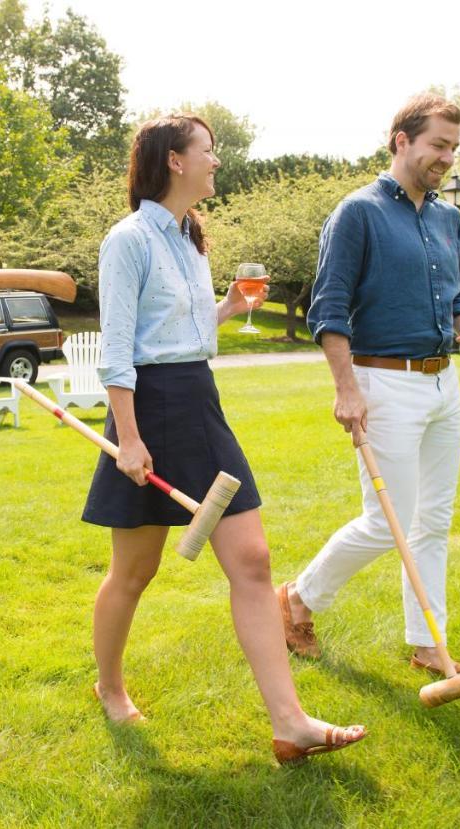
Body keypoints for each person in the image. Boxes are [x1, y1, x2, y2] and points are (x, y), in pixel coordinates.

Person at [85, 114, 365, 764]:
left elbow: (189, 338)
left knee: (254, 561)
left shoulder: (191, 240)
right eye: (208, 151)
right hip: (148, 409)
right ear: (175, 161)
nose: (217, 160)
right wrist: (128, 438)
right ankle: (109, 684)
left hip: (199, 404)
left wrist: (229, 309)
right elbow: (120, 352)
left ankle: (289, 721)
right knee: (135, 569)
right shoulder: (128, 241)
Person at [278, 93, 460, 676]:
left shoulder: (448, 218)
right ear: (401, 140)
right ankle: (298, 599)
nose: (447, 158)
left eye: (453, 147)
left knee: (433, 522)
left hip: (442, 383)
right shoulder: (359, 212)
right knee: (386, 521)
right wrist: (346, 388)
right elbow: (328, 307)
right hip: (382, 383)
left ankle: (429, 644)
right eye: (438, 146)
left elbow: (456, 295)